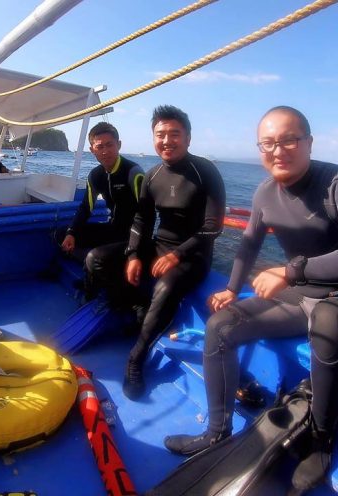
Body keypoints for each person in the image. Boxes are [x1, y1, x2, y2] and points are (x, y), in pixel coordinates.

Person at [163, 106, 338, 492]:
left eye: (288, 140)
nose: (277, 150)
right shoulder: (265, 191)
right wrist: (232, 288)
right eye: (268, 143)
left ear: (309, 143)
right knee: (220, 326)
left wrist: (290, 270)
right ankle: (217, 431)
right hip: (300, 295)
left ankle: (321, 443)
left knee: (330, 323)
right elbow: (249, 243)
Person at [122, 105, 225, 400]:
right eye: (161, 134)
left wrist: (177, 254)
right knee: (102, 259)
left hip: (194, 254)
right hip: (160, 246)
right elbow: (142, 219)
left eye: (174, 134)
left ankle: (136, 359)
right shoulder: (153, 175)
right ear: (153, 138)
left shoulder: (205, 172)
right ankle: (139, 313)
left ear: (188, 138)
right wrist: (133, 255)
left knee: (166, 286)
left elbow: (213, 227)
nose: (167, 140)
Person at [57, 122, 146, 307]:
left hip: (132, 237)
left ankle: (91, 295)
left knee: (93, 257)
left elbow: (146, 213)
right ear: (92, 149)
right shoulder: (96, 175)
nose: (105, 151)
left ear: (118, 145)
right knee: (60, 234)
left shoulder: (133, 173)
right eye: (100, 146)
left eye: (109, 145)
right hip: (113, 229)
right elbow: (85, 207)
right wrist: (72, 232)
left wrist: (135, 251)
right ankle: (95, 272)